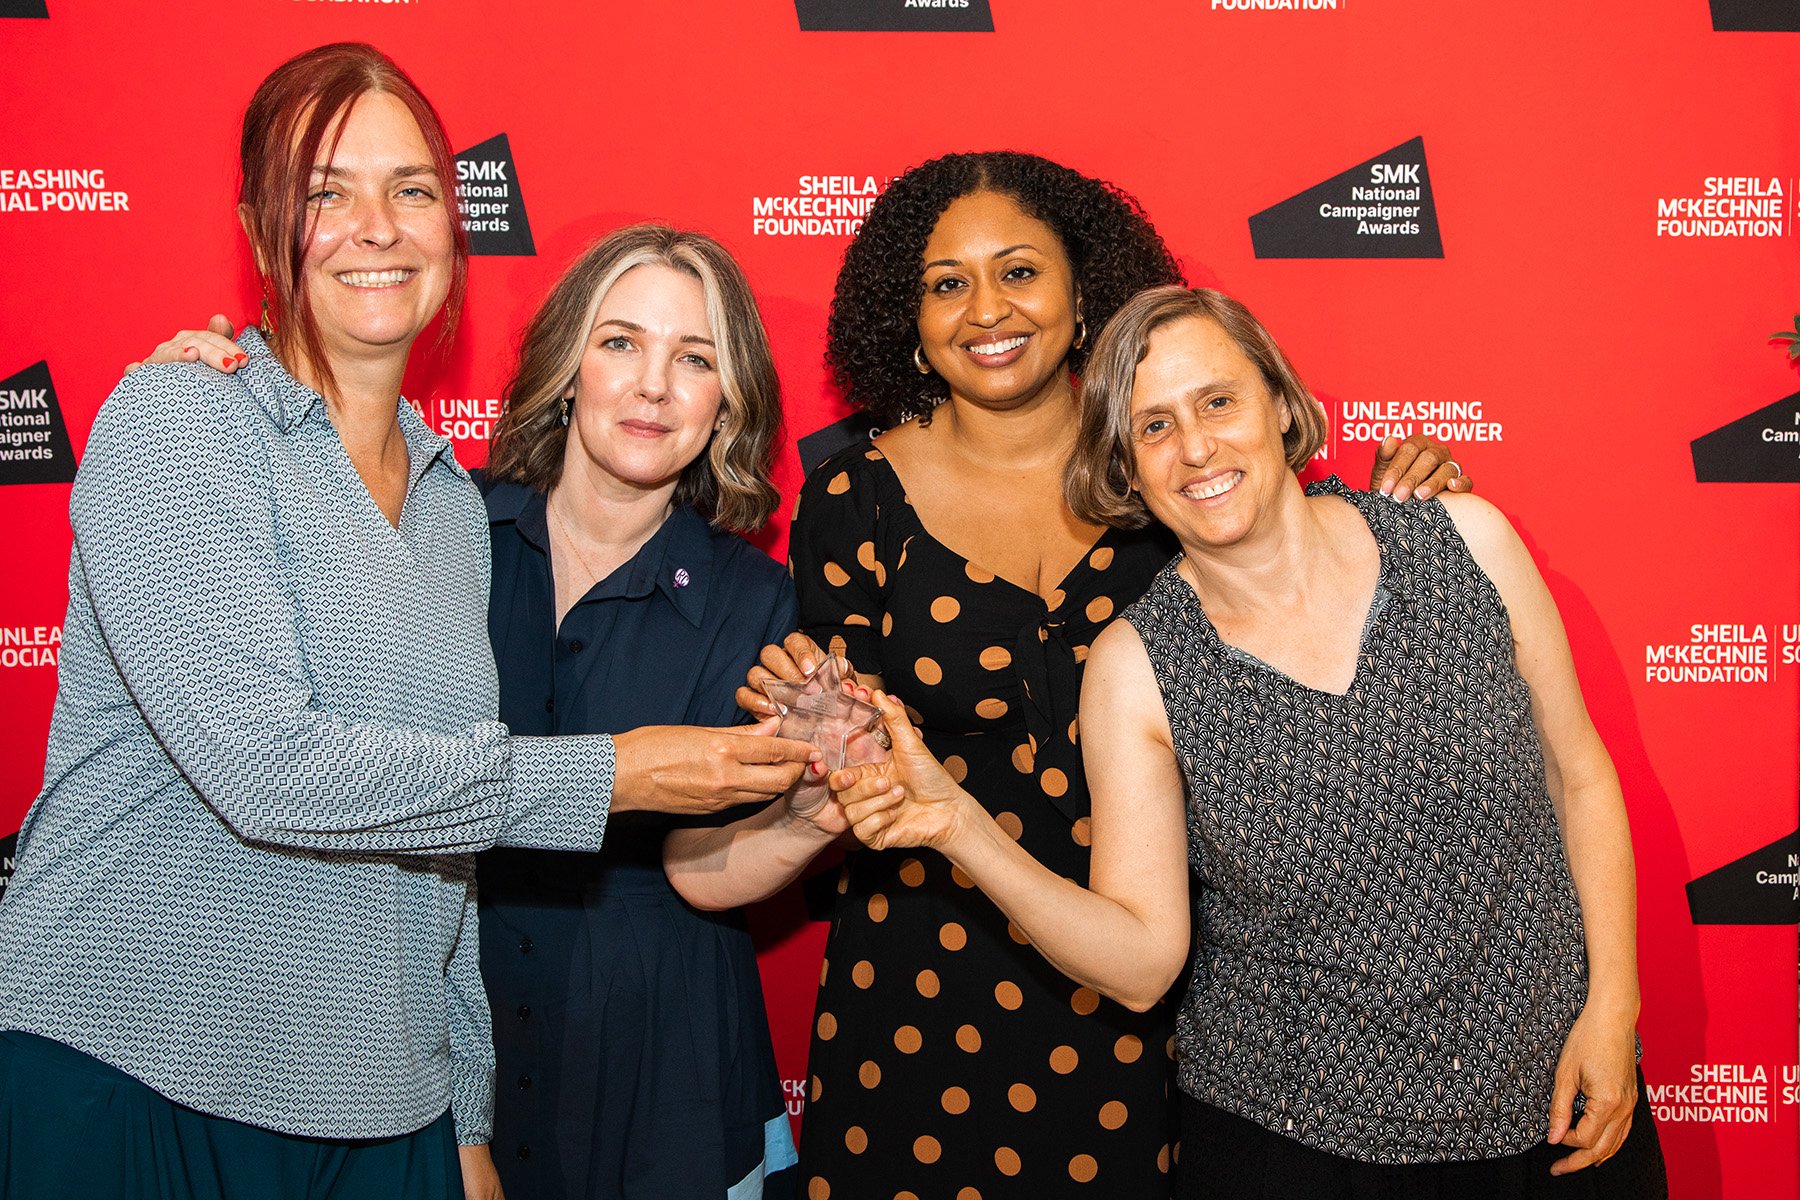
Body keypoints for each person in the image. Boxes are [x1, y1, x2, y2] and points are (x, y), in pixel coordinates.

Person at [0, 44, 815, 1200]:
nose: (377, 226)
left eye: (414, 190)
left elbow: (442, 853)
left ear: (455, 226)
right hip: (137, 1072)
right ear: (259, 226)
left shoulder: (448, 509)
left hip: (382, 1109)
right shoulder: (187, 418)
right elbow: (267, 767)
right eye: (327, 191)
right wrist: (613, 775)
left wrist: (467, 1110)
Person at [830, 285, 1668, 1198]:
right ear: (1125, 469)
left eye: (1217, 402)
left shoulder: (1466, 540)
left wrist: (1613, 1007)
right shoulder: (1135, 668)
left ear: (1279, 402)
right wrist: (957, 824)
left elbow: (1577, 774)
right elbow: (1144, 963)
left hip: (1556, 1113)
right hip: (1295, 1152)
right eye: (1153, 427)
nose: (1194, 448)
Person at [743, 151, 1470, 1198]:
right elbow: (844, 752)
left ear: (1085, 292)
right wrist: (815, 730)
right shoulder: (852, 496)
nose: (986, 308)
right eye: (948, 282)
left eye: (1019, 271)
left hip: (1141, 983)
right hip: (913, 991)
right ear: (908, 315)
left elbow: (1299, 552)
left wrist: (1405, 500)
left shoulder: (1164, 467)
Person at [473, 224, 851, 1200]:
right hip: (447, 1060)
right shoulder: (444, 535)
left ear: (726, 402)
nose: (653, 386)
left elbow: (702, 869)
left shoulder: (754, 600)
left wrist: (818, 810)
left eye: (695, 359)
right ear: (567, 368)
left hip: (664, 1081)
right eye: (620, 343)